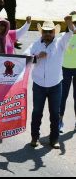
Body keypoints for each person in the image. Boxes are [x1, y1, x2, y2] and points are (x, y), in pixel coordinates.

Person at [26, 16, 75, 149]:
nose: (48, 34)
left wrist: (69, 22)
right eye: (45, 31)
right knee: (37, 112)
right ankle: (34, 137)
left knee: (55, 113)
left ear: (54, 32)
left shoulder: (60, 43)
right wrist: (36, 57)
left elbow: (72, 32)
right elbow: (25, 59)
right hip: (39, 85)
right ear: (42, 32)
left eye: (50, 31)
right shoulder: (35, 44)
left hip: (55, 85)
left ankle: (54, 139)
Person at [60, 12, 76, 134]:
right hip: (64, 70)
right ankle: (60, 121)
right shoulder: (63, 37)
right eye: (73, 23)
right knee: (62, 96)